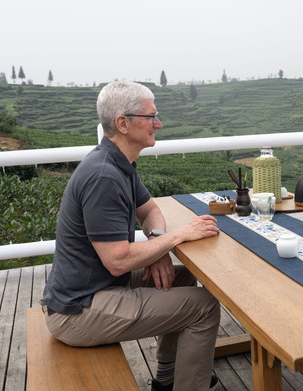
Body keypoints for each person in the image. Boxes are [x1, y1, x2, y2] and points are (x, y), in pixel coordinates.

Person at [41, 81, 222, 391]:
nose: (159, 124)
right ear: (122, 123)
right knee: (204, 306)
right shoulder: (103, 176)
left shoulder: (118, 163)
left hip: (96, 289)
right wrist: (178, 236)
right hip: (77, 311)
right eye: (151, 117)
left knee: (182, 278)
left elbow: (149, 209)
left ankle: (167, 378)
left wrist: (158, 243)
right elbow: (117, 260)